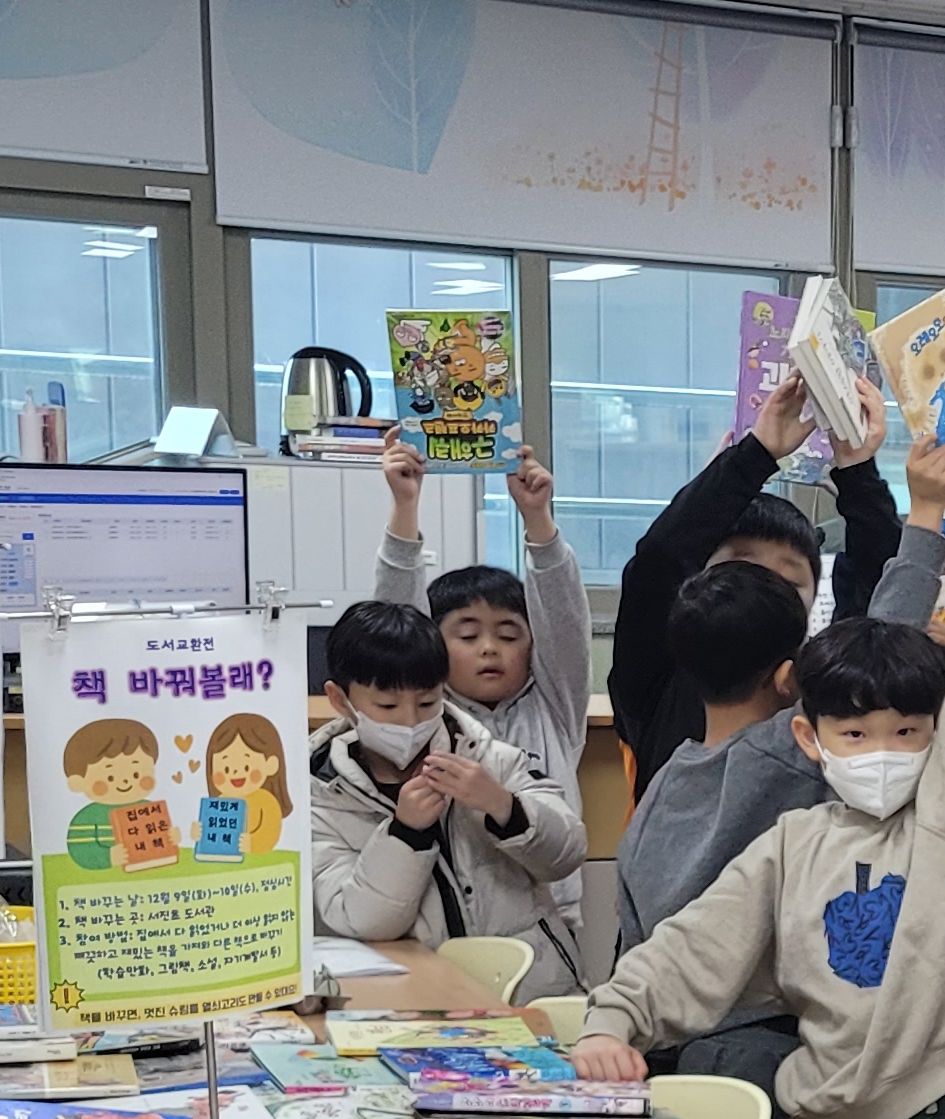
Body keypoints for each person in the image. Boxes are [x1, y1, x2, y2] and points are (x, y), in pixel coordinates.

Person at [572, 447, 945, 1119]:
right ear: (808, 737)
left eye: (908, 731)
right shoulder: (793, 841)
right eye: (856, 734)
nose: (884, 753)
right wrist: (613, 1018)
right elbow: (694, 944)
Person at [611, 373, 903, 785]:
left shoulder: (827, 679)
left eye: (789, 579)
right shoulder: (663, 674)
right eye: (743, 566)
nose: (765, 588)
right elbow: (660, 560)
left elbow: (884, 588)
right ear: (697, 584)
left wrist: (857, 472)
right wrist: (755, 455)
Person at [309, 599, 589, 994]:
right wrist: (406, 834)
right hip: (409, 1005)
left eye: (427, 702)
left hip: (529, 995)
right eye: (387, 705)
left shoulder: (490, 759)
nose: (410, 721)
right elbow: (362, 919)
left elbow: (567, 853)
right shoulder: (321, 794)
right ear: (341, 700)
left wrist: (504, 806)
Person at [375, 438, 588, 948]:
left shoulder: (554, 705)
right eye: (467, 636)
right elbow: (396, 627)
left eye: (509, 634)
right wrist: (405, 507)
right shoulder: (428, 714)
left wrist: (537, 519)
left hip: (550, 920)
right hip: (448, 925)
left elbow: (563, 619)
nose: (490, 648)